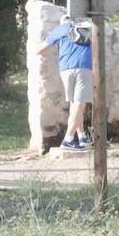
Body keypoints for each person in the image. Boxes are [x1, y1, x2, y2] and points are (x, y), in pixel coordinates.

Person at [35, 13, 94, 151]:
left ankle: (82, 138)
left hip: (66, 69)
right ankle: (68, 140)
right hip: (84, 67)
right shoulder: (86, 28)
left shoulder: (60, 29)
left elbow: (39, 50)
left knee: (75, 105)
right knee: (79, 105)